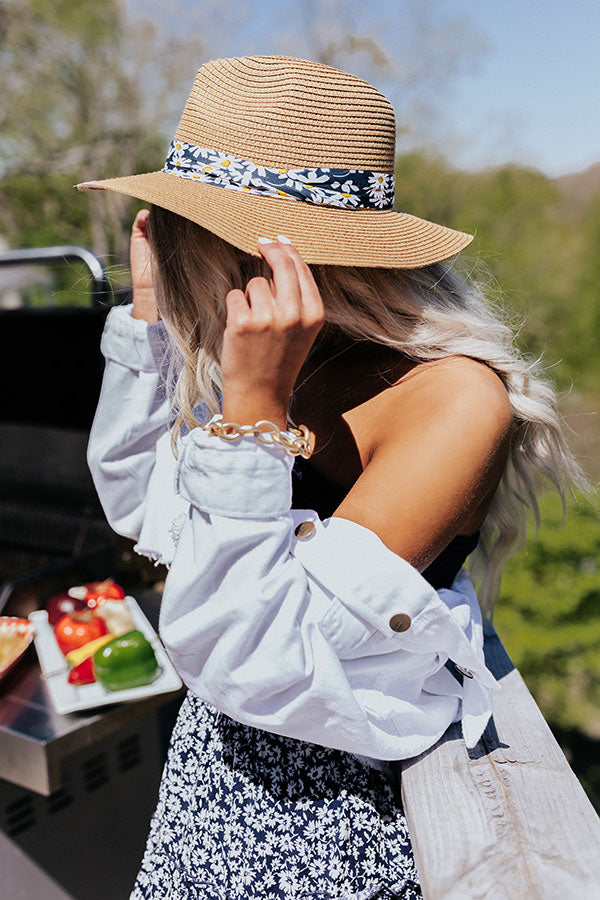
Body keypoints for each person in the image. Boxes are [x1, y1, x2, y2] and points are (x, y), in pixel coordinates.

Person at [79, 56, 587, 899]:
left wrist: (249, 412)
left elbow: (252, 662)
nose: (166, 240)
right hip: (209, 774)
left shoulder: (452, 400)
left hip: (313, 826)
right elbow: (142, 511)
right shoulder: (286, 358)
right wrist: (150, 325)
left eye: (183, 225)